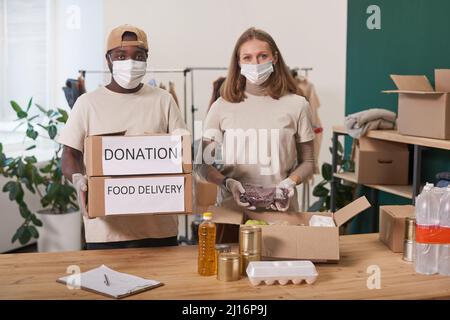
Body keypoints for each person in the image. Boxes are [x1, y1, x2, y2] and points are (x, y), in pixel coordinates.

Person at [58, 24, 188, 250]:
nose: (130, 63)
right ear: (108, 60)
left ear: (146, 59)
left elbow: (183, 150)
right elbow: (70, 153)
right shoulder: (88, 104)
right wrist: (78, 178)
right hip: (106, 231)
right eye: (121, 56)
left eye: (138, 56)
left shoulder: (163, 100)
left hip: (159, 227)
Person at [197, 27, 315, 225]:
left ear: (274, 58)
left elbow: (308, 162)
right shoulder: (221, 106)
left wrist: (290, 182)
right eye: (248, 57)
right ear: (238, 62)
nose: (255, 63)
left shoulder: (298, 105)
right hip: (232, 213)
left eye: (262, 56)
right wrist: (228, 183)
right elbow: (202, 163)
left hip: (281, 214)